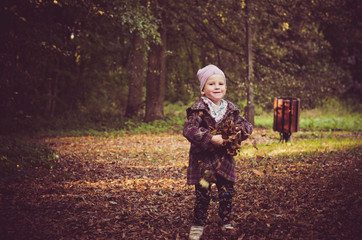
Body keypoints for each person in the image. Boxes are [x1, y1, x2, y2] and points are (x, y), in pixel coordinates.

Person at [183, 64, 253, 240]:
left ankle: (225, 221)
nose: (217, 87)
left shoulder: (231, 109)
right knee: (203, 193)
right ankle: (198, 224)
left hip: (224, 161)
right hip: (204, 163)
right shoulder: (198, 109)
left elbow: (247, 125)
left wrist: (240, 132)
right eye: (211, 84)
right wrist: (210, 138)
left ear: (225, 88)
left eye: (220, 84)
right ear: (203, 89)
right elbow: (189, 130)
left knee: (227, 192)